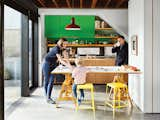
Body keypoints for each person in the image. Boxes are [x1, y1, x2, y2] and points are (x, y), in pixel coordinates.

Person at [42, 38, 69, 104]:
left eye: (66, 44)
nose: (66, 45)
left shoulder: (63, 49)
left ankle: (48, 97)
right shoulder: (56, 48)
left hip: (54, 65)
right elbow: (60, 59)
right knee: (47, 80)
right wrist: (69, 66)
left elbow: (66, 58)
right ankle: (47, 97)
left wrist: (69, 64)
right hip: (47, 64)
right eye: (65, 44)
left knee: (51, 81)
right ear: (61, 43)